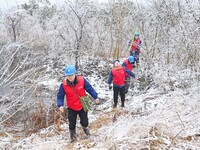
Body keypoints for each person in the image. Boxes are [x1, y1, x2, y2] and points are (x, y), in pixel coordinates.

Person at [57, 65, 99, 142]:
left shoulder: (82, 80)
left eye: (71, 75)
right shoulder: (63, 85)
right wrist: (60, 105)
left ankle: (84, 127)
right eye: (68, 75)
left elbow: (89, 88)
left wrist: (95, 97)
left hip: (82, 105)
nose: (70, 77)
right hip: (71, 107)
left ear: (75, 74)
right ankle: (73, 137)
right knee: (72, 123)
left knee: (85, 121)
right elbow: (60, 96)